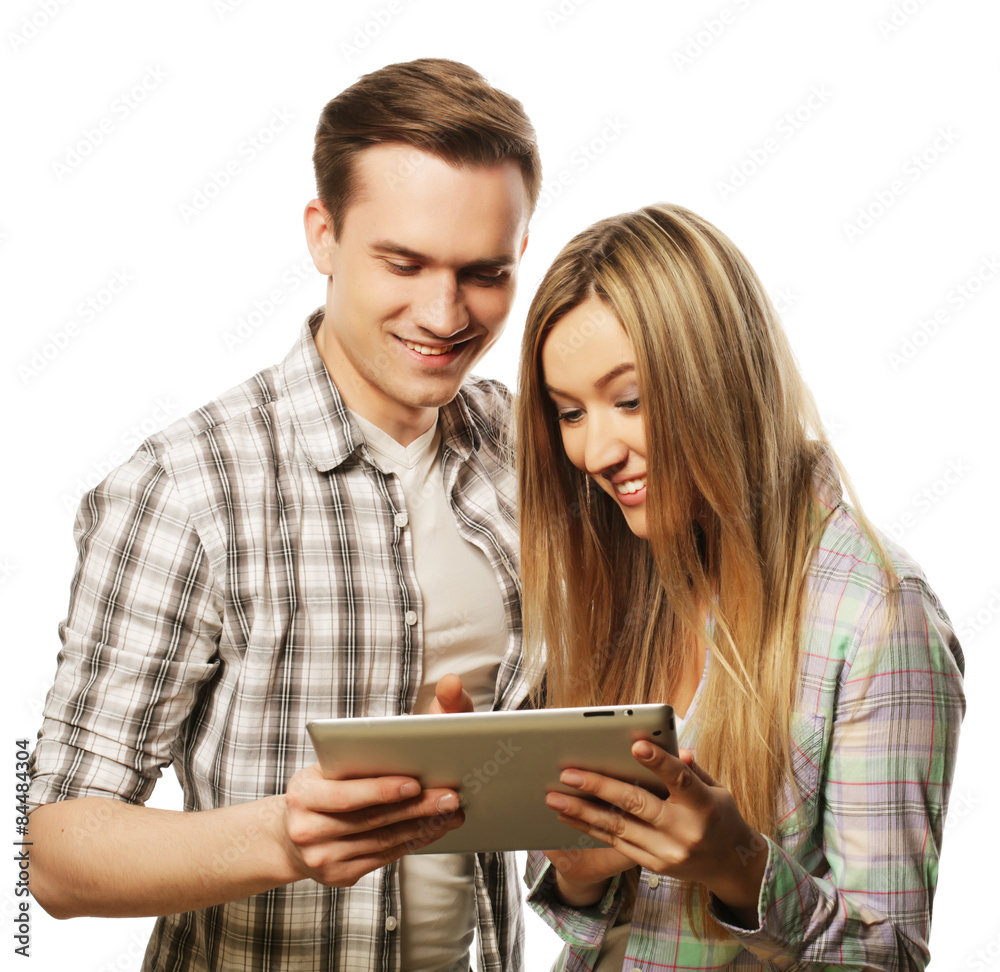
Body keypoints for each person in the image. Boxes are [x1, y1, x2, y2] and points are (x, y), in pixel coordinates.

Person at [27, 58, 539, 972]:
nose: (444, 312)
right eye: (404, 261)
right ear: (324, 235)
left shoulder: (525, 448)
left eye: (484, 272)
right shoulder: (183, 489)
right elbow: (58, 853)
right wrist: (284, 840)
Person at [516, 203, 965, 969]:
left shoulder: (876, 616)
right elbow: (596, 924)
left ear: (719, 375)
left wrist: (739, 868)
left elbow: (888, 955)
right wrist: (579, 872)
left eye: (628, 400)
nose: (595, 451)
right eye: (569, 412)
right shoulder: (628, 571)